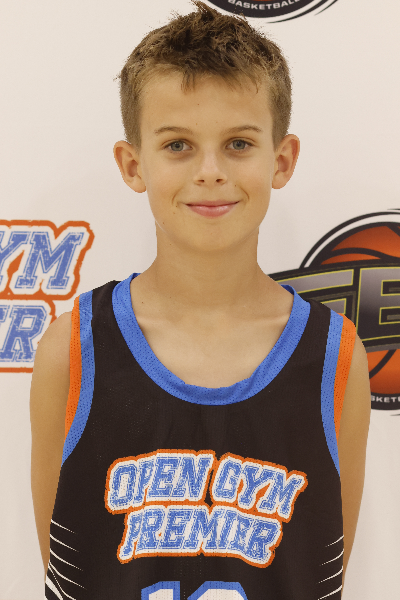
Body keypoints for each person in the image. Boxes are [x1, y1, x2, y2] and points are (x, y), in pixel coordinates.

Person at [30, 2, 371, 598]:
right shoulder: (72, 350)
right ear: (132, 164)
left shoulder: (335, 357)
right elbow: (64, 573)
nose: (210, 171)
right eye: (178, 145)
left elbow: (322, 575)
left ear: (282, 159)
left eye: (238, 143)